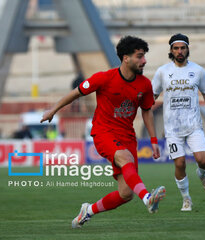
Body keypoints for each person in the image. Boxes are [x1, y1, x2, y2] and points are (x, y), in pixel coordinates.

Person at [41, 36, 166, 228]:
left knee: (125, 194)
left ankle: (88, 211)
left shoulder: (144, 85)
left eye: (144, 56)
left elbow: (147, 111)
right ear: (126, 58)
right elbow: (76, 93)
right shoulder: (104, 78)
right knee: (125, 158)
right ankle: (148, 198)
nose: (144, 61)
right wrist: (53, 110)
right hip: (104, 132)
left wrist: (154, 140)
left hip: (127, 136)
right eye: (140, 56)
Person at [152, 33, 205, 211]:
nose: (179, 51)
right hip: (172, 128)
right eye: (176, 48)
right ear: (171, 51)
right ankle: (186, 198)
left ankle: (202, 175)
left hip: (194, 125)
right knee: (179, 163)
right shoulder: (162, 72)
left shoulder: (198, 71)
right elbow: (153, 95)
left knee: (203, 160)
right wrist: (143, 108)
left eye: (183, 48)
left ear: (188, 49)